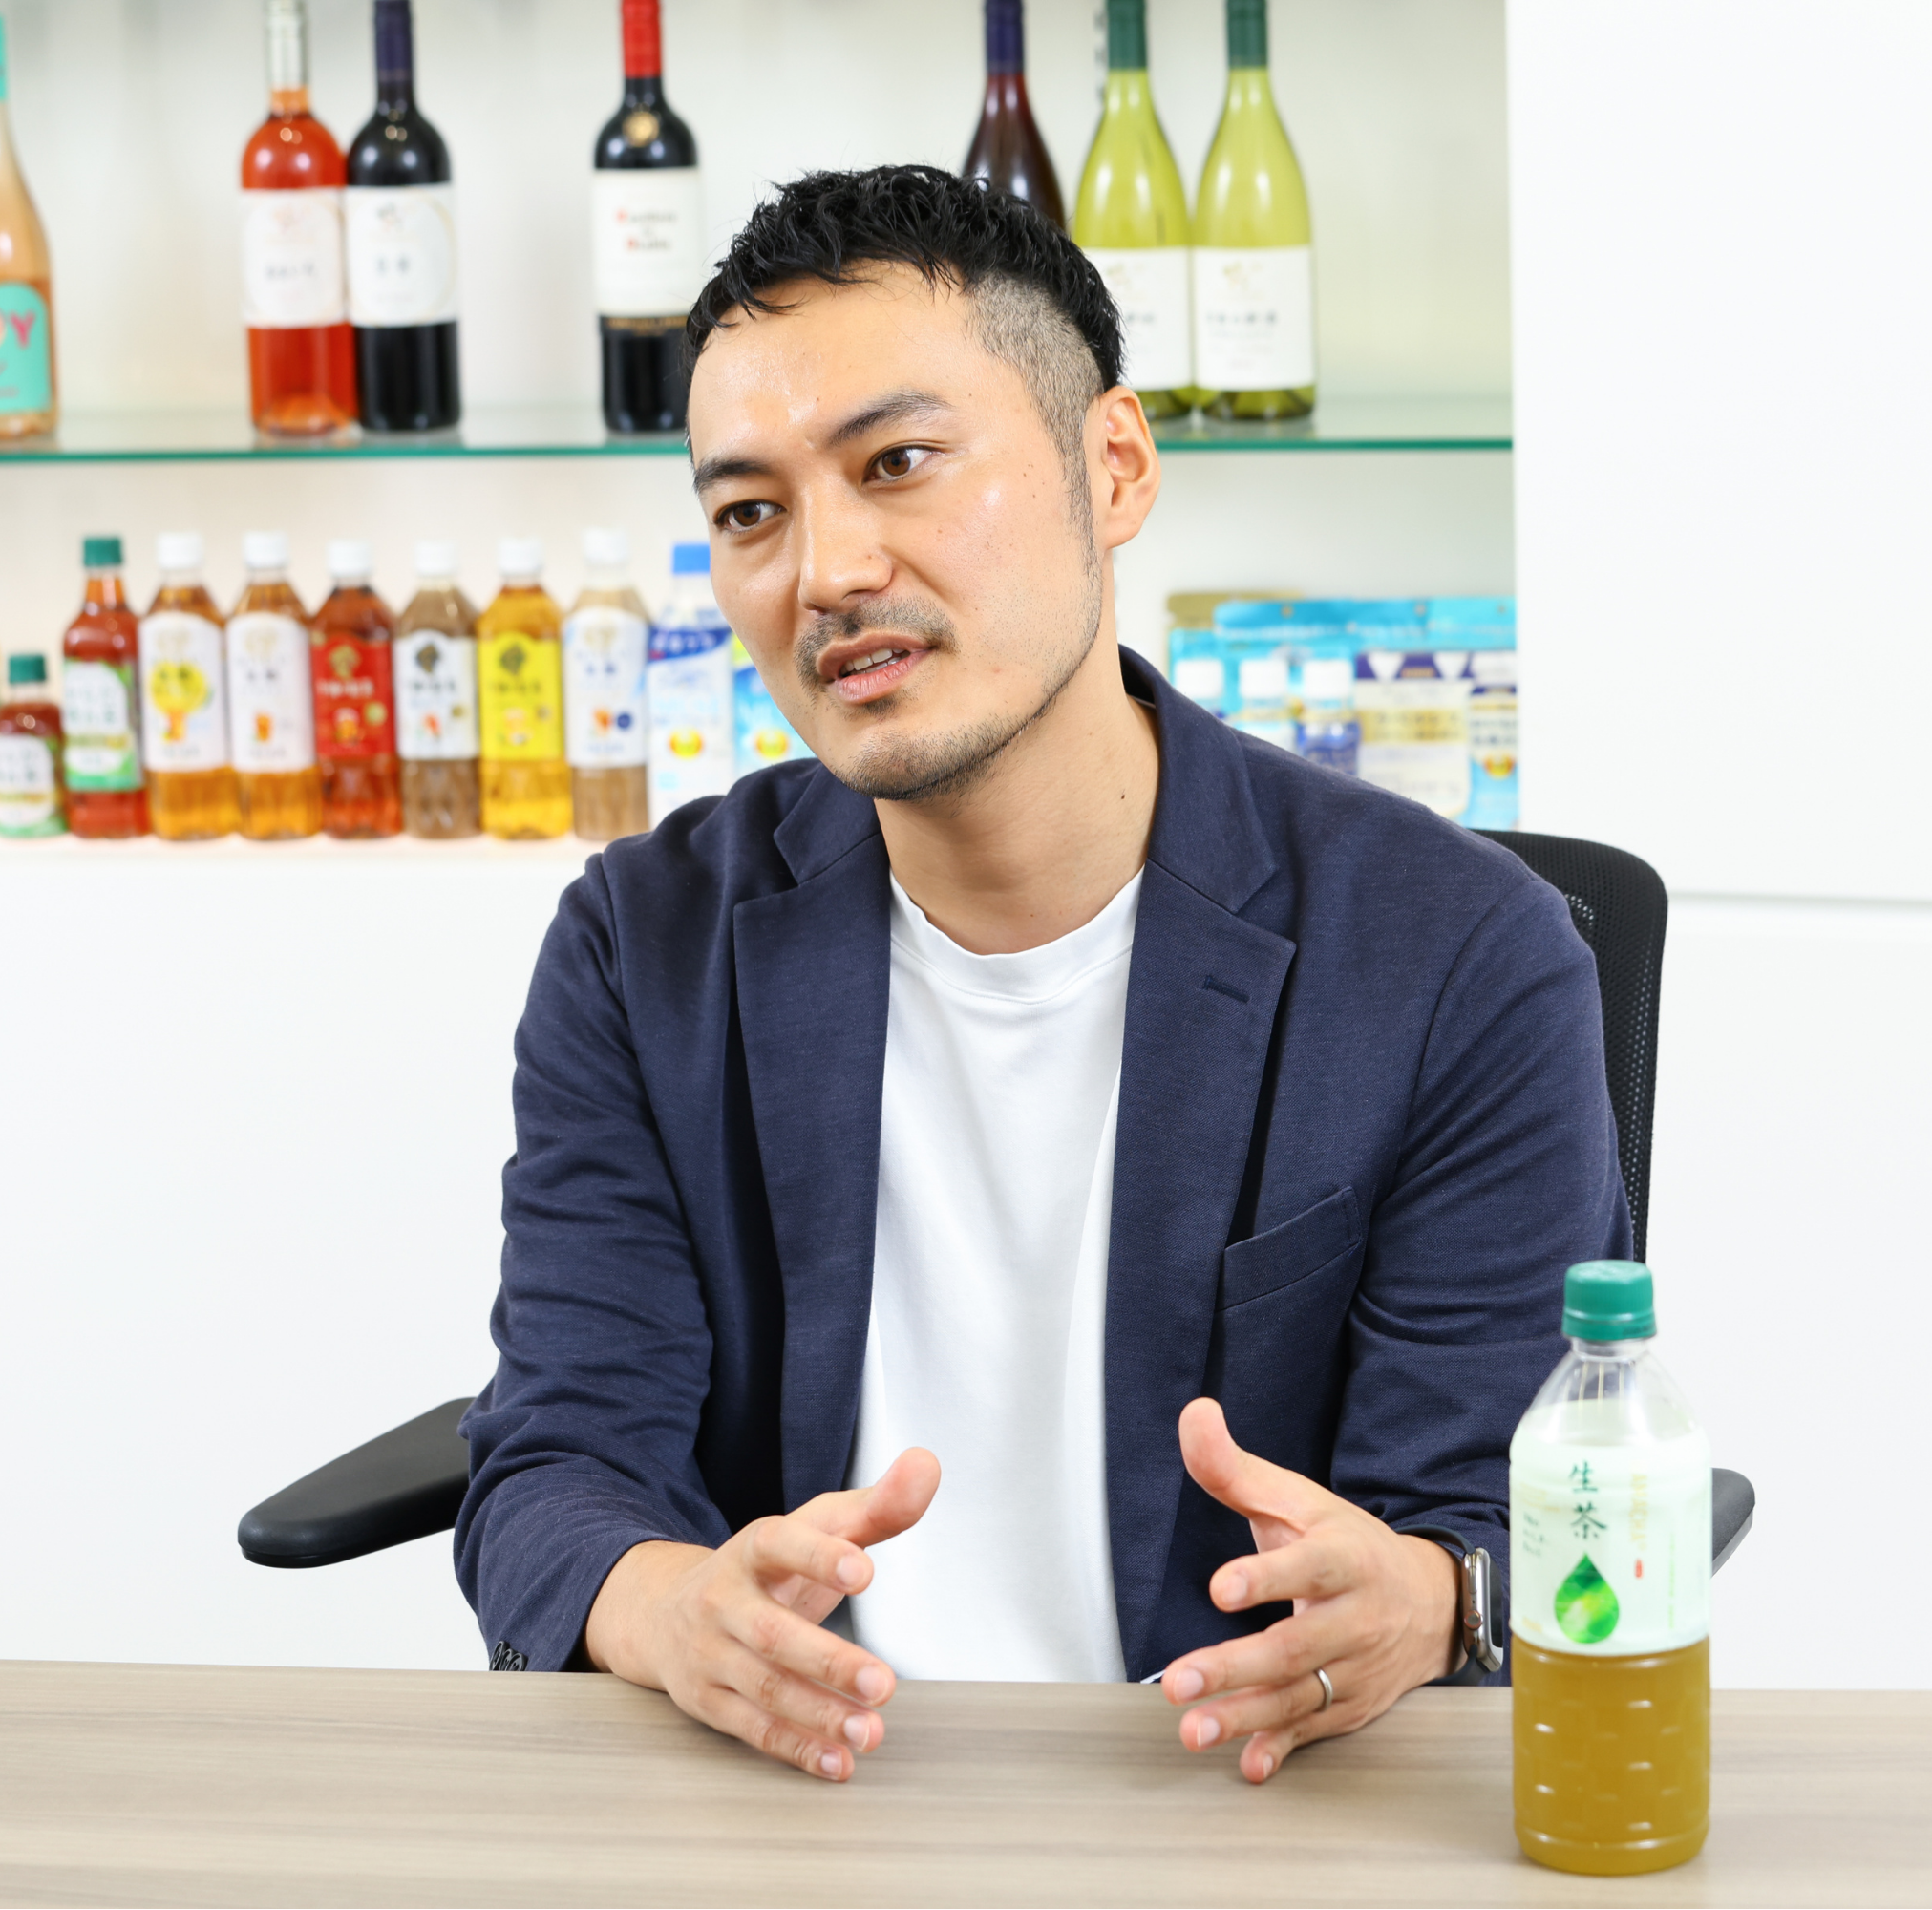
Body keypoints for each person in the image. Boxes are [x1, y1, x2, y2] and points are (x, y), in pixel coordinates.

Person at [456, 166, 1626, 1787]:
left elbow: (1502, 1519)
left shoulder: (1456, 954)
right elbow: (553, 1464)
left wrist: (1429, 1601)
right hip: (793, 1799)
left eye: (899, 463)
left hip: (1243, 1798)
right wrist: (672, 1610)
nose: (827, 570)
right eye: (750, 513)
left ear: (1113, 465)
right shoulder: (643, 944)